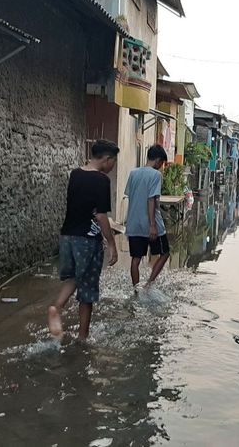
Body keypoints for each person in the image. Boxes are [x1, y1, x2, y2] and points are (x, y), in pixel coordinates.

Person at [48, 139, 119, 341]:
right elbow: (101, 216)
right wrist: (112, 243)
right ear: (107, 159)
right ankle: (82, 338)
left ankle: (56, 307)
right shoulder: (102, 180)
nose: (112, 167)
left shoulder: (76, 174)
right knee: (87, 290)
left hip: (67, 236)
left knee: (74, 278)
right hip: (87, 240)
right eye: (113, 162)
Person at [125, 144, 170, 288]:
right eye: (161, 163)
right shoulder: (156, 175)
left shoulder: (133, 173)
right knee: (164, 253)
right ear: (157, 160)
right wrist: (152, 225)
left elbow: (130, 195)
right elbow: (151, 199)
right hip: (152, 223)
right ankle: (148, 284)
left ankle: (135, 290)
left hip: (133, 223)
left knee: (135, 259)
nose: (161, 166)